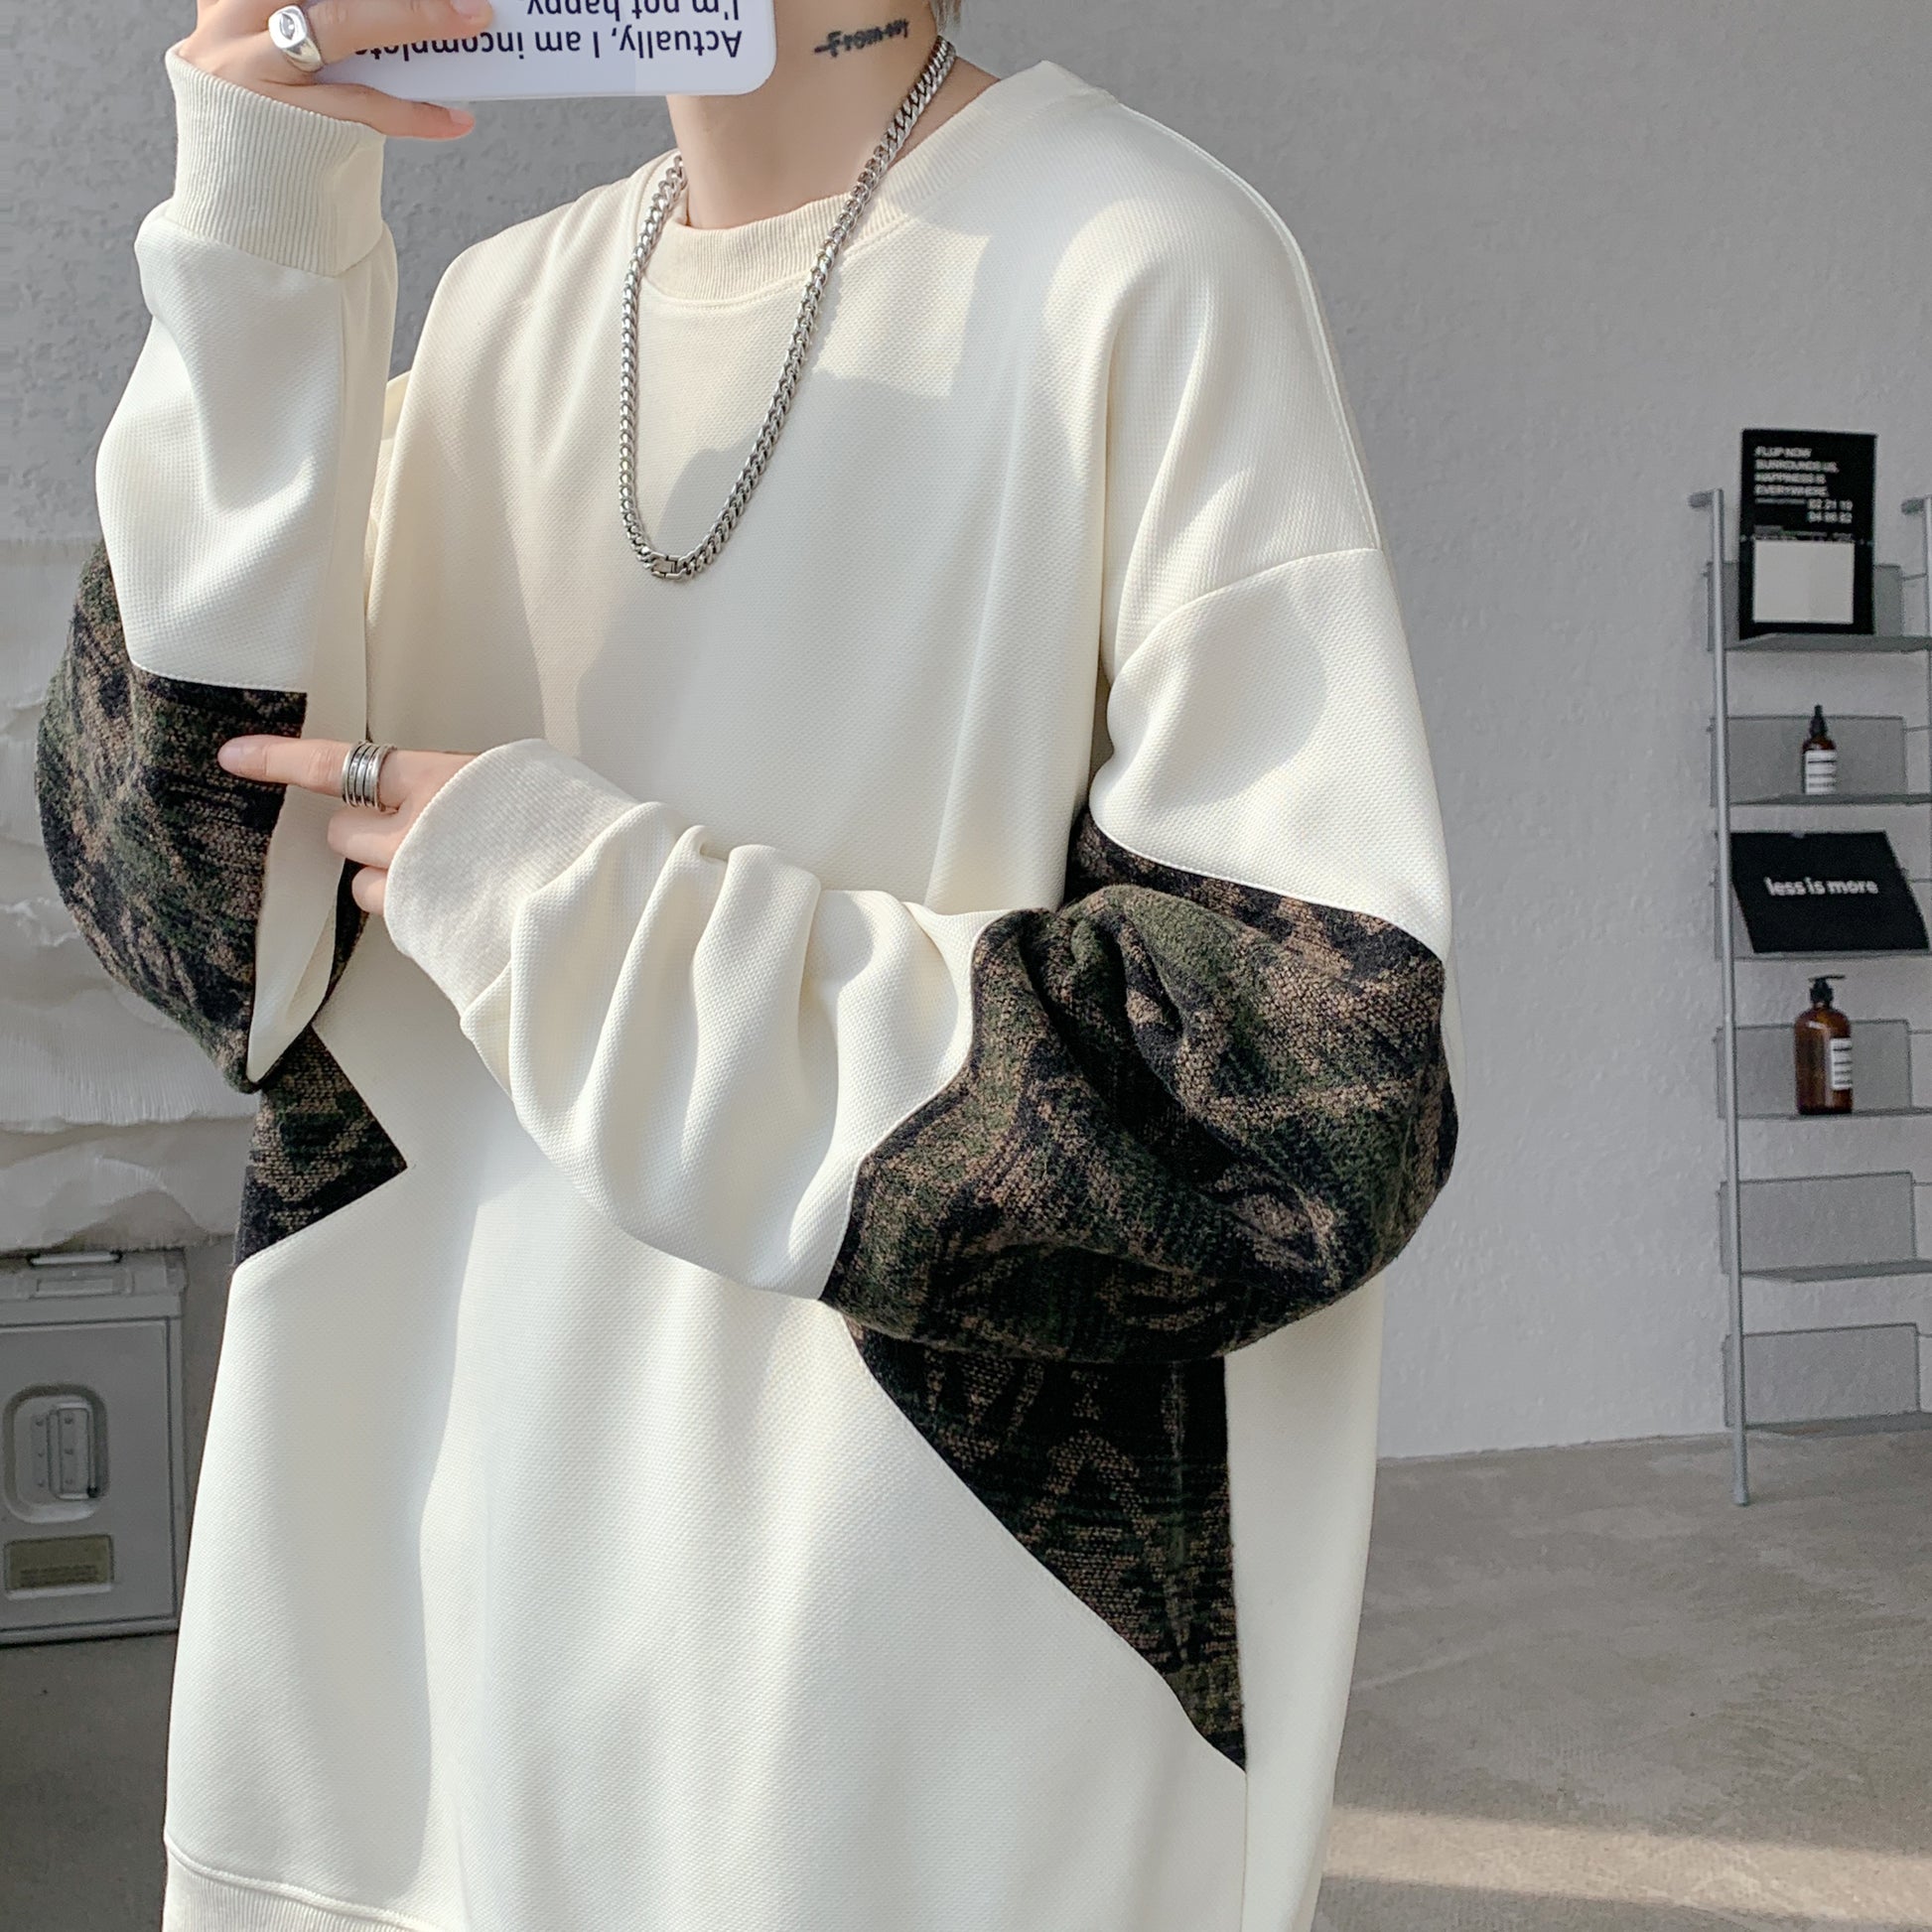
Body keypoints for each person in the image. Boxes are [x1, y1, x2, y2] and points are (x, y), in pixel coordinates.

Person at [36, 1, 1463, 1927]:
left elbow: (1295, 1114)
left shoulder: (1144, 261)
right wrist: (255, 220)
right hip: (441, 1667)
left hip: (909, 1728)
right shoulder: (498, 311)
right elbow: (199, 914)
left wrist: (581, 917)